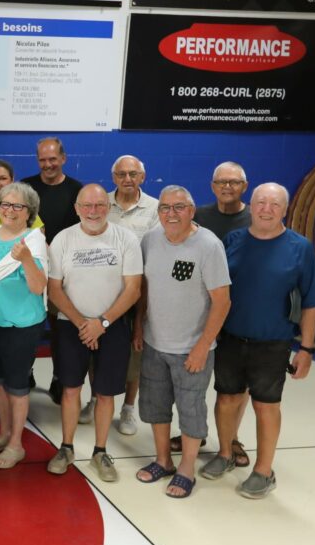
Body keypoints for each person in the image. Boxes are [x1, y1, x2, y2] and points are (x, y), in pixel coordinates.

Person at [200, 183, 315, 499]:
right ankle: (225, 453)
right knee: (226, 399)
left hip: (272, 343)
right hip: (231, 339)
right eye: (261, 202)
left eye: (274, 204)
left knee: (266, 406)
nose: (266, 209)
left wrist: (306, 349)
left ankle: (264, 471)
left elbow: (310, 304)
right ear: (251, 205)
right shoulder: (233, 241)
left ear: (285, 209)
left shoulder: (300, 248)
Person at [134, 186, 231, 498]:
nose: (171, 214)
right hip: (154, 343)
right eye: (165, 208)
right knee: (155, 406)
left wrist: (203, 345)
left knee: (191, 410)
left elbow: (222, 302)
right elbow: (144, 288)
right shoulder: (150, 239)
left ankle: (187, 468)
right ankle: (163, 460)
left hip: (191, 349)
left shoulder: (208, 246)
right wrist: (139, 326)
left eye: (178, 207)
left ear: (191, 211)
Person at [46, 184, 142, 482]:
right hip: (70, 324)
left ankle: (100, 451)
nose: (93, 211)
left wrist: (102, 322)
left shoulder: (125, 239)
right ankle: (66, 447)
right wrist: (81, 322)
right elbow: (54, 289)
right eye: (87, 206)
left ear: (108, 208)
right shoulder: (63, 239)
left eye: (100, 205)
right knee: (71, 389)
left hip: (111, 327)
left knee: (104, 392)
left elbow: (133, 288)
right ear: (77, 208)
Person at [0, 183, 47, 470]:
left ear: (29, 212)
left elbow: (38, 286)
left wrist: (27, 259)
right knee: (0, 383)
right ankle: (4, 434)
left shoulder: (34, 240)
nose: (10, 210)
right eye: (5, 204)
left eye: (18, 206)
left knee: (17, 387)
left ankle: (17, 444)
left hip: (21, 325)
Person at [189, 161, 253, 462]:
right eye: (221, 182)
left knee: (235, 386)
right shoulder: (197, 216)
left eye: (234, 182)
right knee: (194, 381)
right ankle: (194, 432)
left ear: (245, 186)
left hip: (239, 315)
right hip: (199, 313)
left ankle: (233, 439)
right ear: (212, 186)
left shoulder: (257, 217)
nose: (227, 187)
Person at [22, 137, 84, 404]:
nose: (48, 164)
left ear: (63, 158)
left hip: (64, 273)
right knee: (29, 327)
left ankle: (60, 377)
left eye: (52, 159)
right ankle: (27, 372)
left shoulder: (76, 190)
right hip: (29, 269)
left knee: (61, 330)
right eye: (42, 160)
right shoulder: (25, 188)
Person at [102, 155, 160, 435]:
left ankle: (128, 407)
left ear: (142, 177)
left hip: (139, 292)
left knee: (134, 353)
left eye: (133, 174)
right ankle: (96, 399)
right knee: (97, 352)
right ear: (114, 177)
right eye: (122, 174)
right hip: (103, 292)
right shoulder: (102, 204)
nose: (127, 179)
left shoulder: (155, 209)